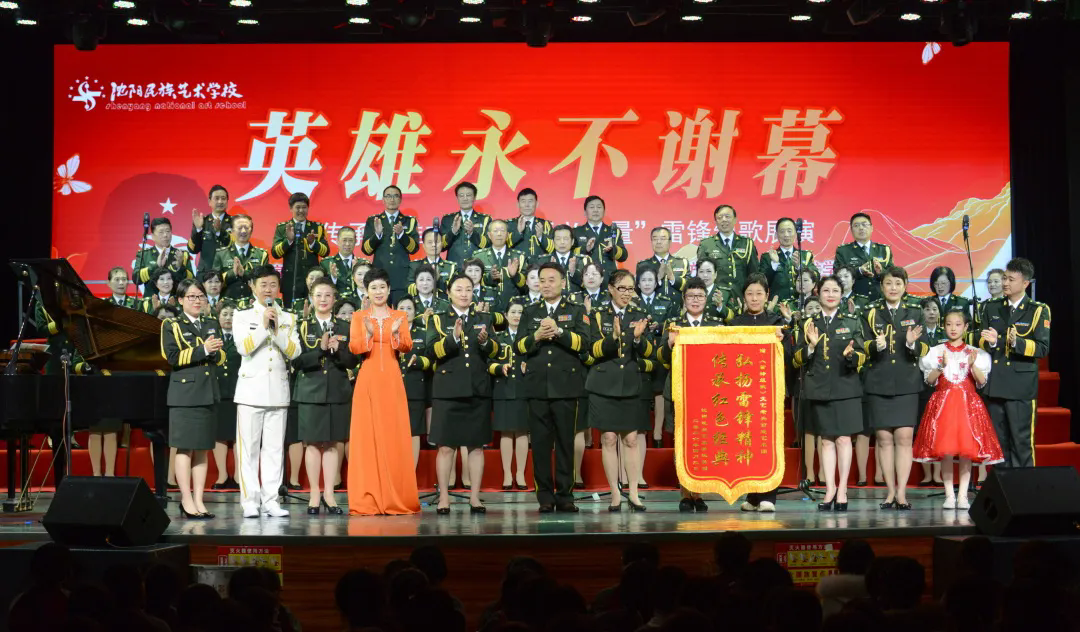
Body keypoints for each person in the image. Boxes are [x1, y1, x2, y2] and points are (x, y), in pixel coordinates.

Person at [516, 262, 590, 513]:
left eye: (551, 280)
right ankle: (545, 497)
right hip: (537, 387)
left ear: (562, 282)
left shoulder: (576, 310)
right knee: (539, 445)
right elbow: (518, 346)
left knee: (566, 444)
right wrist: (536, 336)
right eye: (542, 280)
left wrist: (559, 332)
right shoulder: (530, 311)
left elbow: (584, 343)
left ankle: (565, 495)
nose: (546, 285)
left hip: (567, 387)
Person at [348, 268, 420, 515]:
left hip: (392, 379)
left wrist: (397, 333)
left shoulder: (400, 315)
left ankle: (395, 495)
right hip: (367, 380)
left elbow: (406, 346)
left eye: (382, 287)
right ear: (366, 292)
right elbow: (355, 348)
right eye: (373, 288)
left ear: (389, 289)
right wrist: (369, 335)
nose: (378, 292)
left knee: (393, 437)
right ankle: (368, 497)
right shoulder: (359, 317)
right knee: (367, 439)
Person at [916, 309, 1003, 509]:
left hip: (967, 406)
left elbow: (981, 382)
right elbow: (930, 381)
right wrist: (940, 366)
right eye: (949, 324)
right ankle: (949, 495)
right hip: (943, 405)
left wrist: (973, 366)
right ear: (943, 326)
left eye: (957, 324)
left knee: (966, 452)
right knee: (945, 451)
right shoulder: (935, 351)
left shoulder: (975, 352)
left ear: (965, 327)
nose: (953, 328)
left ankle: (963, 495)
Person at [794, 275, 867, 512]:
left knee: (844, 439)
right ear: (818, 293)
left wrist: (851, 356)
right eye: (826, 290)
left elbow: (863, 356)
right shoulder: (808, 322)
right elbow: (796, 359)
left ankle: (843, 489)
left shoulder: (852, 321)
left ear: (842, 294)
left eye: (835, 290)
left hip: (846, 386)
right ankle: (830, 489)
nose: (831, 295)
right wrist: (811, 346)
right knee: (826, 441)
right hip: (819, 388)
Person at [427, 273, 499, 513]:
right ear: (448, 292)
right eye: (459, 289)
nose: (464, 294)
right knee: (446, 447)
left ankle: (475, 497)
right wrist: (453, 338)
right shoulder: (438, 319)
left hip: (477, 389)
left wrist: (486, 342)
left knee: (476, 447)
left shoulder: (484, 318)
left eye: (468, 289)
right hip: (448, 391)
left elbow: (496, 351)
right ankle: (444, 497)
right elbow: (431, 351)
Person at [233, 265, 301, 518]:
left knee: (274, 450)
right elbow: (243, 348)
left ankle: (271, 501)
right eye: (263, 285)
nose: (268, 290)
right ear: (253, 287)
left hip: (278, 392)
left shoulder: (288, 318)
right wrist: (263, 327)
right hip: (251, 392)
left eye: (273, 284)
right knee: (249, 450)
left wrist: (277, 331)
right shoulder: (242, 316)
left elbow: (295, 352)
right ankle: (250, 502)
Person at [861, 267, 928, 510]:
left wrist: (911, 344)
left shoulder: (915, 312)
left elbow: (926, 348)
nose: (893, 288)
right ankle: (889, 492)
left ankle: (902, 492)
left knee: (904, 438)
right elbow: (861, 344)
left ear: (905, 286)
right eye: (888, 283)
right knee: (884, 439)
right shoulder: (870, 312)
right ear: (881, 286)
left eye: (898, 283)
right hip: (878, 381)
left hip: (906, 382)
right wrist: (874, 346)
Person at [587, 269, 651, 512]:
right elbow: (591, 350)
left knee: (632, 439)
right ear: (611, 289)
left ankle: (633, 492)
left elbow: (649, 352)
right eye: (622, 288)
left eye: (630, 288)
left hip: (630, 383)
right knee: (609, 438)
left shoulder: (639, 314)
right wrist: (612, 339)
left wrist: (638, 339)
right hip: (604, 384)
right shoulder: (597, 314)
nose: (626, 293)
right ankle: (615, 492)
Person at [978, 257, 1051, 468]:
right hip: (996, 383)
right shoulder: (991, 307)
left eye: (1011, 279)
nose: (1005, 283)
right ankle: (1002, 486)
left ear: (1025, 283)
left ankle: (1024, 487)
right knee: (998, 445)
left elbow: (1042, 348)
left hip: (1021, 386)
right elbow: (980, 339)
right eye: (1004, 278)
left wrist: (1016, 343)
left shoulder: (1037, 310)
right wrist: (992, 343)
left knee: (1021, 443)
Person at [162, 278, 224, 518]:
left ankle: (199, 499)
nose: (197, 301)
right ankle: (186, 499)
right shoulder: (172, 325)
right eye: (191, 296)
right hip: (185, 394)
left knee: (202, 448)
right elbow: (172, 357)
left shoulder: (211, 322)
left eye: (200, 296)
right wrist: (204, 350)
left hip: (208, 391)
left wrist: (215, 353)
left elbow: (221, 358)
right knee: (185, 448)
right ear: (180, 300)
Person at [293, 279, 355, 515]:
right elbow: (297, 361)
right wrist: (319, 349)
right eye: (318, 295)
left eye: (328, 295)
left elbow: (353, 360)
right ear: (311, 298)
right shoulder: (302, 326)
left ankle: (329, 494)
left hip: (337, 391)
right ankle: (314, 494)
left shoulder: (345, 326)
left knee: (331, 444)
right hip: (310, 391)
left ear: (334, 299)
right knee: (312, 444)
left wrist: (338, 351)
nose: (323, 300)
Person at [730, 273, 790, 512]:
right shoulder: (734, 324)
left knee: (768, 442)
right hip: (742, 392)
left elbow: (790, 357)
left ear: (767, 296)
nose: (754, 298)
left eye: (759, 294)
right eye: (749, 294)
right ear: (743, 297)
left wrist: (783, 340)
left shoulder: (777, 322)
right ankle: (753, 496)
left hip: (769, 392)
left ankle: (768, 496)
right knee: (746, 443)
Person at [657, 278, 716, 512]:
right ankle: (684, 493)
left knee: (702, 443)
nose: (695, 300)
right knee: (681, 443)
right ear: (684, 299)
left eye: (699, 296)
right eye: (691, 296)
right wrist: (669, 345)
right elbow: (661, 358)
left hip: (706, 394)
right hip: (679, 392)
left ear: (706, 299)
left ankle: (698, 493)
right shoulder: (673, 325)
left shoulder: (714, 326)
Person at [636, 266, 676, 451]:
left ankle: (657, 433)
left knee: (659, 390)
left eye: (650, 280)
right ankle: (642, 430)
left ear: (656, 283)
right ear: (638, 284)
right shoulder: (633, 302)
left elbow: (672, 325)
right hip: (640, 352)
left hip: (659, 351)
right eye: (643, 280)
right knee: (642, 390)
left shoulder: (666, 302)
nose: (647, 284)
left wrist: (659, 327)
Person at [493, 300, 530, 490]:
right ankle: (507, 473)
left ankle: (520, 473)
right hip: (503, 388)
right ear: (506, 315)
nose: (517, 316)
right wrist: (499, 367)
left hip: (523, 388)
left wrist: (529, 367)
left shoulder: (530, 337)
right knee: (506, 432)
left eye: (520, 312)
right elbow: (489, 361)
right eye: (513, 312)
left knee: (522, 431)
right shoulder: (498, 337)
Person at [362, 185, 420, 304]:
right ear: (383, 199)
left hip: (401, 277)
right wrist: (377, 235)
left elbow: (414, 249)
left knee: (401, 310)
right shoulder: (373, 220)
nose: (392, 199)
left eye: (395, 196)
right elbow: (366, 250)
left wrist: (402, 235)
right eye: (388, 196)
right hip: (380, 276)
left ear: (400, 199)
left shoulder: (409, 221)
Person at [272, 192, 329, 306]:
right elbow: (275, 253)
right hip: (291, 282)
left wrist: (313, 243)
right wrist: (288, 241)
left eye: (304, 207)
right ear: (291, 208)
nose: (301, 211)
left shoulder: (317, 227)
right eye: (297, 207)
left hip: (313, 281)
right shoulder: (283, 228)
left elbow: (325, 252)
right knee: (290, 313)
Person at [396, 297, 432, 466]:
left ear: (415, 312)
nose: (405, 312)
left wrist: (419, 361)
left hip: (415, 388)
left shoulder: (423, 333)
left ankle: (411, 472)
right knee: (394, 431)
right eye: (401, 308)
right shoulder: (388, 332)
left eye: (409, 308)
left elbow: (431, 359)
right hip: (392, 388)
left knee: (414, 431)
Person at [695, 204, 760, 298]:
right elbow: (701, 276)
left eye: (727, 216)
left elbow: (754, 275)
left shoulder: (747, 243)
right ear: (716, 222)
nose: (724, 220)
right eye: (720, 217)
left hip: (741, 297)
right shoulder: (706, 244)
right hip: (716, 298)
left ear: (735, 220)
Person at [916, 297, 947, 486]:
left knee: (940, 431)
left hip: (943, 386)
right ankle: (927, 474)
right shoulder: (916, 333)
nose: (931, 312)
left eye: (935, 309)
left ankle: (938, 474)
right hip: (921, 387)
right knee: (924, 430)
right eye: (927, 309)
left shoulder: (946, 333)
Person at [211, 302, 240, 491]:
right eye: (225, 314)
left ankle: (238, 476)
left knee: (238, 436)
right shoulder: (212, 337)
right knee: (220, 435)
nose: (228, 318)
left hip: (239, 392)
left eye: (232, 314)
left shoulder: (242, 336)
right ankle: (222, 475)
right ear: (218, 317)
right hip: (218, 391)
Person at [833, 213, 893, 302]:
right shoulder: (843, 251)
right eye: (856, 225)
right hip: (854, 301)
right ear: (851, 230)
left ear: (872, 228)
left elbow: (893, 275)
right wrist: (859, 270)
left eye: (864, 224)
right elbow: (837, 275)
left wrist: (881, 272)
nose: (861, 228)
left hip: (880, 300)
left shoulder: (884, 250)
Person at [760, 217, 817, 303]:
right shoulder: (767, 257)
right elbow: (761, 283)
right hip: (777, 306)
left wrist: (800, 267)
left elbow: (816, 277)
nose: (786, 235)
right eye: (782, 231)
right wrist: (775, 264)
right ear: (776, 235)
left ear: (796, 234)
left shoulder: (806, 256)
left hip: (801, 305)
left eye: (789, 231)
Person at [214, 214, 268, 303]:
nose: (243, 231)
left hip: (253, 303)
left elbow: (265, 282)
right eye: (239, 228)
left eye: (246, 228)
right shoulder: (221, 254)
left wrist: (244, 273)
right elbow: (214, 283)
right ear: (232, 231)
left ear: (251, 230)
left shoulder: (261, 255)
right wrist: (232, 273)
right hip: (228, 305)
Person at [134, 217, 193, 296]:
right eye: (161, 232)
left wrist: (180, 267)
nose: (165, 235)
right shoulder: (144, 255)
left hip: (175, 301)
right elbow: (136, 279)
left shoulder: (181, 255)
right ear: (152, 236)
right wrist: (156, 266)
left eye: (168, 231)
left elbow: (191, 282)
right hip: (151, 301)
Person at [572, 195, 627, 278]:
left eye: (599, 207)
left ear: (604, 211)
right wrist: (585, 249)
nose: (595, 210)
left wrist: (613, 249)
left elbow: (623, 256)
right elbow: (570, 254)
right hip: (586, 278)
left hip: (608, 278)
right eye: (591, 207)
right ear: (585, 212)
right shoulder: (576, 232)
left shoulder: (613, 231)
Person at [440, 182, 491, 264]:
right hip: (454, 267)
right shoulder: (447, 219)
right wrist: (453, 232)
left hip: (477, 267)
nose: (465, 198)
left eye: (468, 195)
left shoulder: (485, 219)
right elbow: (441, 247)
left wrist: (472, 233)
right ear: (457, 198)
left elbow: (488, 246)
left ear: (474, 197)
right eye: (461, 195)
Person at [188, 185, 234, 275]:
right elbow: (193, 249)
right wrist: (198, 229)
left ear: (227, 201)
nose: (220, 201)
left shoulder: (234, 222)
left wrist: (219, 232)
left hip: (227, 273)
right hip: (205, 273)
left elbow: (235, 246)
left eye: (223, 198)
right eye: (216, 198)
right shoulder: (203, 221)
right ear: (209, 202)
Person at [475, 219, 527, 293]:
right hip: (487, 299)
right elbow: (473, 282)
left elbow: (525, 285)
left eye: (502, 231)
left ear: (507, 235)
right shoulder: (479, 256)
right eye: (495, 231)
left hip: (512, 299)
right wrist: (489, 277)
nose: (499, 234)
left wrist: (515, 275)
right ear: (489, 235)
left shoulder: (519, 257)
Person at [637, 226, 690, 296]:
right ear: (651, 242)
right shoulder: (643, 265)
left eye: (662, 239)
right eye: (655, 239)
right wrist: (658, 277)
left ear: (670, 242)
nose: (658, 242)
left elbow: (689, 288)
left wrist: (672, 277)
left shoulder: (682, 263)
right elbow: (638, 290)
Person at [507, 187, 554, 261]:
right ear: (518, 204)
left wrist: (541, 237)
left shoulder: (545, 225)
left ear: (537, 204)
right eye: (523, 201)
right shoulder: (509, 224)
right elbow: (503, 247)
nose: (527, 205)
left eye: (530, 201)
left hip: (540, 267)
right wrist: (518, 232)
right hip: (517, 266)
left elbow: (552, 249)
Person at [541, 224, 590, 294]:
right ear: (553, 242)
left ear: (572, 241)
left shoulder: (583, 261)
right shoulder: (543, 261)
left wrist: (574, 273)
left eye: (566, 239)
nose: (562, 242)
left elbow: (591, 285)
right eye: (558, 239)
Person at [408, 229, 456, 294]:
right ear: (423, 246)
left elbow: (453, 292)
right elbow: (411, 290)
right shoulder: (415, 266)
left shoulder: (451, 267)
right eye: (430, 242)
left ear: (442, 244)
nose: (433, 245)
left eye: (436, 242)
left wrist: (438, 280)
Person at [321, 226, 367, 295]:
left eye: (351, 240)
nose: (347, 244)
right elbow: (322, 287)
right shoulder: (326, 263)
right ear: (337, 241)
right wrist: (333, 278)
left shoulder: (362, 264)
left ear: (355, 242)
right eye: (344, 240)